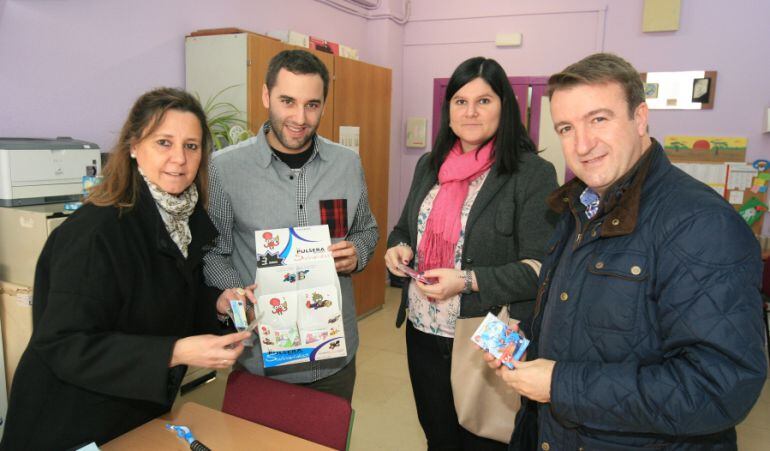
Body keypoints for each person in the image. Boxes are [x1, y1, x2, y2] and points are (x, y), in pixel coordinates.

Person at [486, 53, 768, 450]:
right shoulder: (578, 208)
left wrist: (560, 384)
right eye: (566, 128)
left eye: (599, 119)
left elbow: (720, 387)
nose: (582, 144)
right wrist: (527, 339)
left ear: (640, 118)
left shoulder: (702, 223)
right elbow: (588, 322)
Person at [0, 88, 253, 450]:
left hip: (132, 417)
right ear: (134, 146)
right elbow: (65, 343)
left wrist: (217, 305)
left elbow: (168, 301)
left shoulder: (184, 222)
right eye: (164, 142)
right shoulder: (96, 232)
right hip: (69, 423)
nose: (179, 159)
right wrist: (175, 352)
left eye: (191, 146)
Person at [384, 56, 558, 450]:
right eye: (460, 101)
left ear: (504, 107)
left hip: (491, 333)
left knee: (487, 438)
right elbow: (404, 228)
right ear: (448, 110)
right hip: (423, 329)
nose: (470, 112)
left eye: (484, 101)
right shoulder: (429, 166)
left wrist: (466, 281)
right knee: (439, 436)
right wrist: (398, 248)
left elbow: (542, 269)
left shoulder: (531, 172)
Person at [203, 49, 378, 402]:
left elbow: (367, 229)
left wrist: (357, 252)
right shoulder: (225, 168)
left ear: (324, 105)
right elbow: (213, 251)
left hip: (333, 357)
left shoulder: (346, 164)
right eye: (287, 101)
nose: (300, 118)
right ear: (266, 96)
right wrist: (237, 294)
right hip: (260, 358)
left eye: (312, 105)